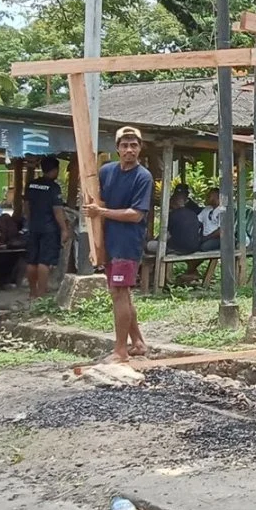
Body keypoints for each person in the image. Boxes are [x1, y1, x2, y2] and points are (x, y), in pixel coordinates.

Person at [84, 126, 154, 362]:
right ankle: (138, 342)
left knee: (119, 292)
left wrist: (101, 212)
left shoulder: (143, 177)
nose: (129, 150)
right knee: (120, 293)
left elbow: (136, 214)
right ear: (117, 149)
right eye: (124, 145)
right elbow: (97, 197)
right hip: (109, 240)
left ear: (140, 148)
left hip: (127, 242)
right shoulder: (106, 171)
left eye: (134, 145)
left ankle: (120, 351)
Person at [24, 156, 69, 301]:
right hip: (49, 229)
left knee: (32, 261)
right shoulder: (53, 187)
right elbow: (57, 210)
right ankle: (41, 295)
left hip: (33, 227)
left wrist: (30, 221)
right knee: (44, 262)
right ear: (55, 170)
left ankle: (32, 293)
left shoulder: (31, 185)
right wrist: (64, 229)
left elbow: (26, 207)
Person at [197, 186, 224, 251]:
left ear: (216, 197)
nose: (206, 198)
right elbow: (197, 222)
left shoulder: (222, 210)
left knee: (204, 247)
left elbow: (221, 231)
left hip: (219, 238)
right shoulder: (207, 209)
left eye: (209, 196)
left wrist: (206, 238)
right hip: (205, 237)